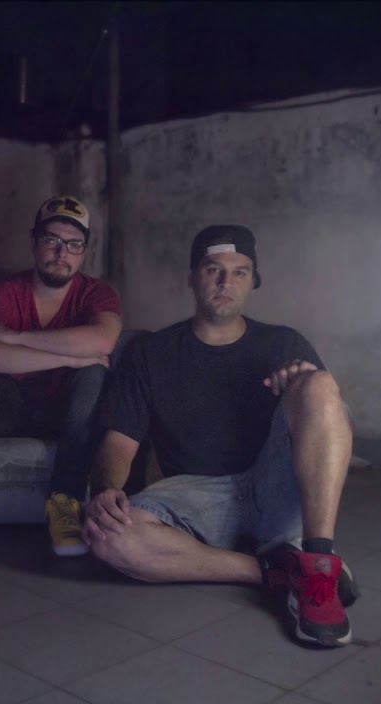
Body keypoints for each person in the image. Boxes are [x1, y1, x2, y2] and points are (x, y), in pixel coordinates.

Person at [81, 225, 361, 648]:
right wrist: (105, 489)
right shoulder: (151, 353)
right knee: (107, 535)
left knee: (321, 385)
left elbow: (332, 429)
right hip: (195, 496)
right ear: (192, 277)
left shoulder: (283, 343)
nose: (226, 282)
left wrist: (300, 389)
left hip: (272, 486)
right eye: (213, 269)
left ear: (253, 281)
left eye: (240, 272)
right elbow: (119, 441)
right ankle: (278, 571)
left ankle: (319, 564)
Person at [0, 195, 122, 557]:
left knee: (92, 373)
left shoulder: (96, 293)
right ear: (33, 242)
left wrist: (17, 337)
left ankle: (65, 501)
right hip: (9, 409)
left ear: (84, 251)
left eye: (73, 244)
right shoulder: (4, 293)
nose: (62, 252)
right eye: (51, 240)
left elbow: (102, 340)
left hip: (67, 412)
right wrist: (69, 357)